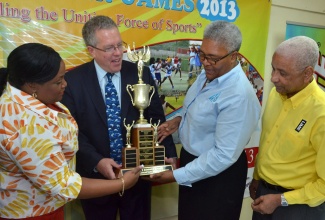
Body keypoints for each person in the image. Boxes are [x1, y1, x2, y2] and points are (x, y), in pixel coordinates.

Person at [0, 43, 142, 220]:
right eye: (58, 82)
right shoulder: (26, 124)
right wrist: (122, 184)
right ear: (32, 85)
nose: (65, 85)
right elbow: (63, 185)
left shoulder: (32, 97)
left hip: (45, 205)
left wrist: (98, 161)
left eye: (63, 77)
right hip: (32, 212)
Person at [61, 15, 177, 220]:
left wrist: (168, 155)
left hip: (139, 176)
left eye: (120, 45)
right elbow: (72, 132)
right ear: (91, 50)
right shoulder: (72, 81)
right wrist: (97, 161)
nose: (118, 53)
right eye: (109, 48)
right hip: (97, 180)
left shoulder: (141, 73)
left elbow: (157, 118)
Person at [149, 21, 261, 220]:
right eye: (202, 54)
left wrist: (175, 175)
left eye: (213, 58)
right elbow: (202, 108)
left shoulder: (238, 95)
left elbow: (222, 156)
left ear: (234, 56)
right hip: (193, 163)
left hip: (218, 176)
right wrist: (179, 119)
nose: (205, 62)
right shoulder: (209, 73)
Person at [249, 36, 325, 219]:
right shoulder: (277, 93)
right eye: (273, 69)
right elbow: (268, 141)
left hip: (299, 207)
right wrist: (258, 177)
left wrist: (280, 199)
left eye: (283, 73)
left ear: (307, 73)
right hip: (263, 194)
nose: (274, 78)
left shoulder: (321, 112)